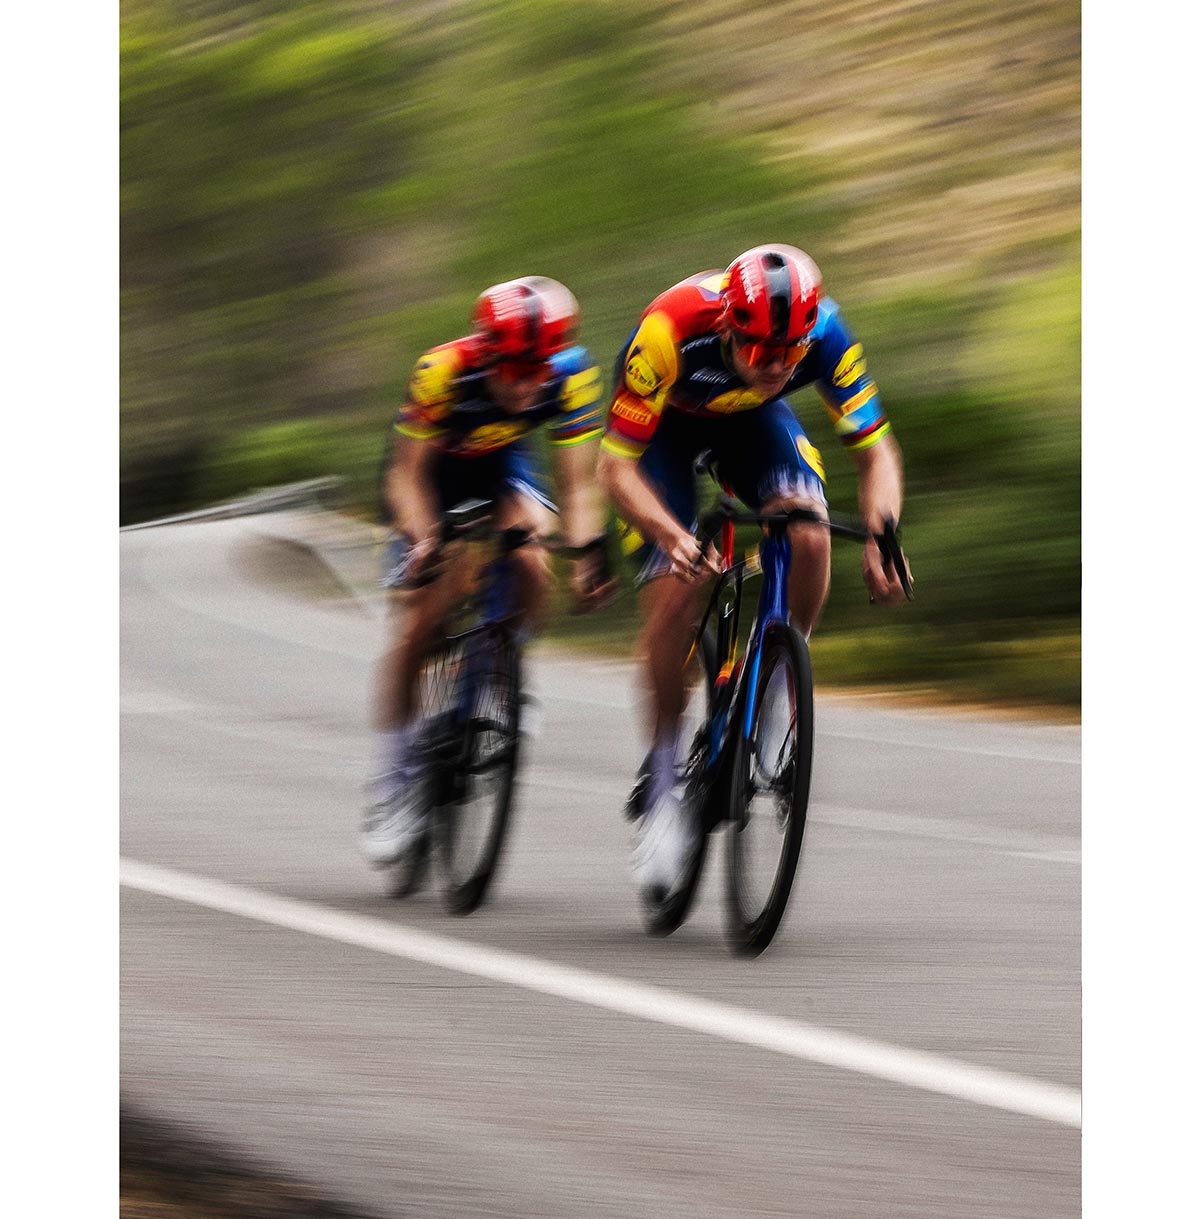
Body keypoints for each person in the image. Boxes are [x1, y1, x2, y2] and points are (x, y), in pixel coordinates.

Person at [596, 244, 911, 893]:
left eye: (790, 354)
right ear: (727, 329)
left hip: (751, 427)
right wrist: (667, 533)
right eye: (761, 351)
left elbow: (876, 452)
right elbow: (614, 469)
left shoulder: (823, 329)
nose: (776, 365)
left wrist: (884, 532)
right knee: (673, 591)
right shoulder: (667, 332)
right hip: (662, 441)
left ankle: (773, 693)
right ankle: (661, 785)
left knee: (812, 532)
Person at [362, 275, 612, 865]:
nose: (526, 385)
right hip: (432, 478)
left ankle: (503, 665)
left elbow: (577, 484)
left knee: (532, 553)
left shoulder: (573, 373)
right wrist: (424, 540)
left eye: (538, 371)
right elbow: (406, 475)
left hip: (502, 464)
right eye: (513, 370)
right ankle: (394, 776)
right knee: (419, 624)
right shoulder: (443, 371)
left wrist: (590, 550)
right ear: (488, 352)